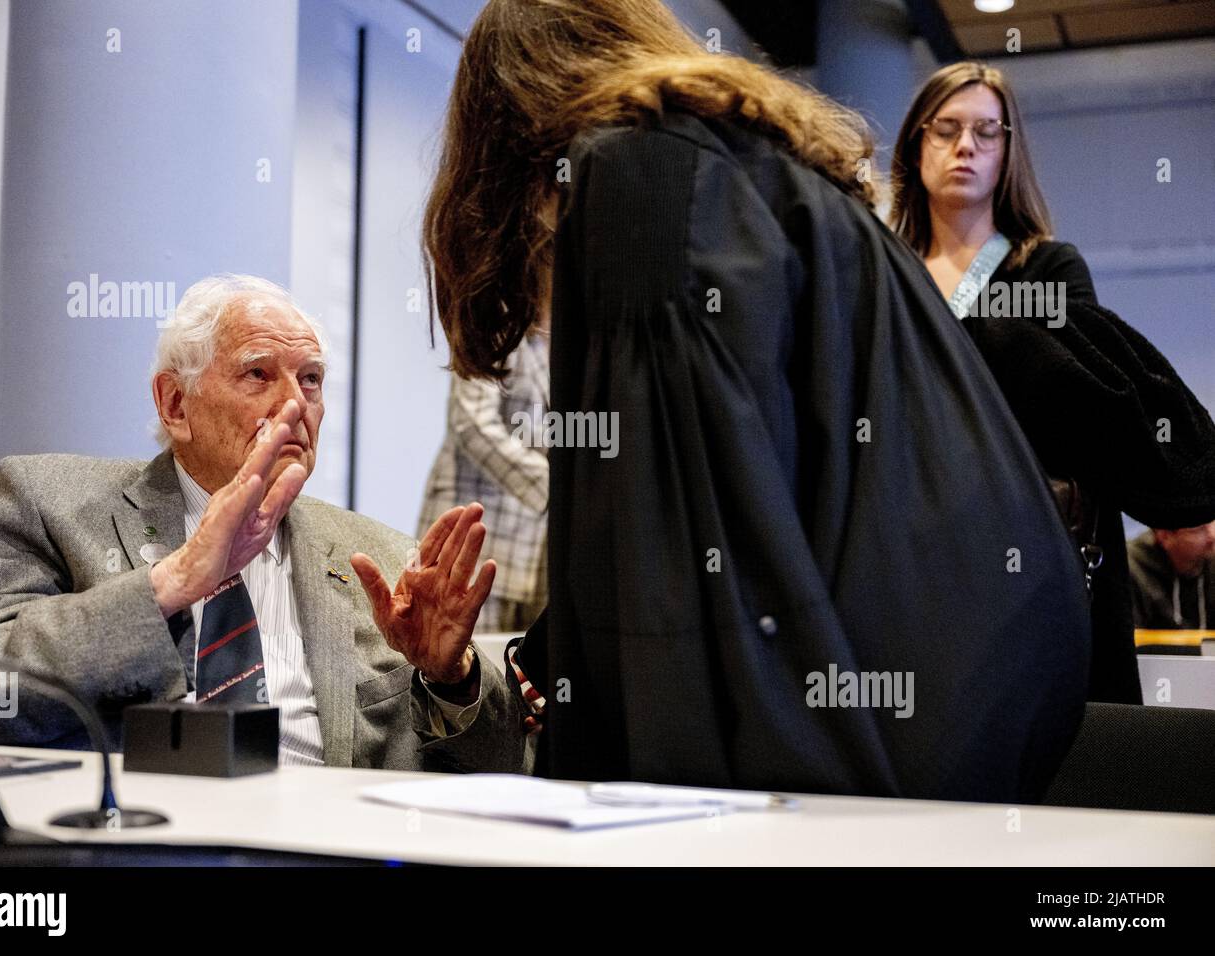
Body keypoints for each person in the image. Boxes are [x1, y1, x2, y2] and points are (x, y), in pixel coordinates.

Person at [423, 0, 1098, 804]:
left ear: (507, 121)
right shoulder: (751, 168)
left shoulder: (638, 173)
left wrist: (657, 813)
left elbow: (685, 556)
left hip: (893, 695)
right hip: (977, 652)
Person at [0, 274, 529, 773]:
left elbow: (500, 771)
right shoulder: (50, 501)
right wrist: (171, 582)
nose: (295, 405)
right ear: (175, 404)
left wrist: (452, 678)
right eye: (259, 374)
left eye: (310, 379)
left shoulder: (383, 559)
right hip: (136, 846)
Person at [891, 62, 1215, 704]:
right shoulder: (883, 269)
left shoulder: (1046, 265)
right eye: (947, 129)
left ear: (1009, 151)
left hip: (1036, 553)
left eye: (987, 132)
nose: (965, 147)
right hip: (910, 543)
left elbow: (1074, 400)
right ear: (915, 142)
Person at [417, 328, 550, 633]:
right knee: (459, 666)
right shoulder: (498, 322)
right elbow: (472, 423)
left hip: (529, 555)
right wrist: (555, 486)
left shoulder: (551, 336)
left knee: (515, 675)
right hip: (473, 543)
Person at [1128, 522, 1215, 630]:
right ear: (1165, 536)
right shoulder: (1131, 567)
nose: (1212, 535)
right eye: (1199, 529)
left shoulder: (1211, 559)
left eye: (1212, 523)